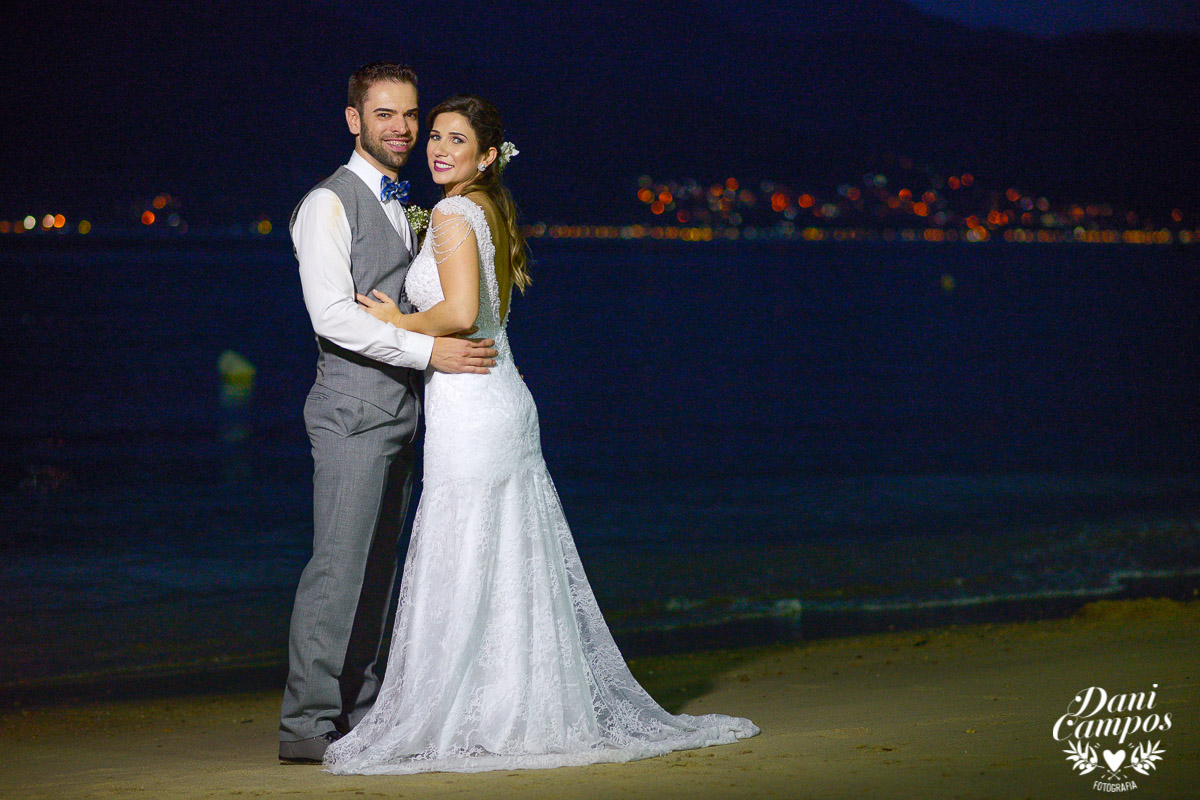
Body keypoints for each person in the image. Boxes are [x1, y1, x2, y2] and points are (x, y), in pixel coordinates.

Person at [323, 94, 759, 775]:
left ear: (486, 155)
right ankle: (512, 707)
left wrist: (391, 321)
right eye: (434, 136)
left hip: (471, 403)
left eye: (455, 140)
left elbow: (461, 312)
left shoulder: (449, 212)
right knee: (506, 558)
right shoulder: (489, 208)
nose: (437, 148)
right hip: (498, 397)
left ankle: (477, 711)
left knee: (468, 552)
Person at [279, 63, 498, 764]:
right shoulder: (328, 204)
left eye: (409, 116)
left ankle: (361, 707)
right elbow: (333, 316)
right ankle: (307, 723)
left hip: (402, 411)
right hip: (350, 408)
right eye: (385, 115)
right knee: (338, 567)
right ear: (354, 120)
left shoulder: (412, 205)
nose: (401, 129)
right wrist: (426, 350)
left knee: (378, 569)